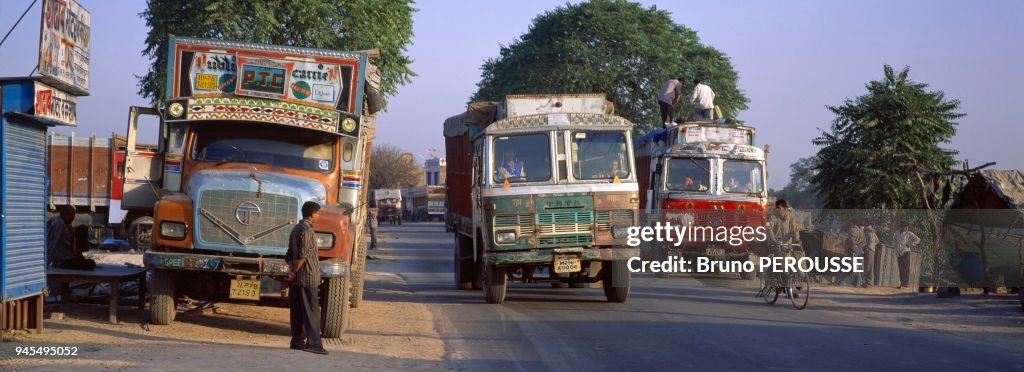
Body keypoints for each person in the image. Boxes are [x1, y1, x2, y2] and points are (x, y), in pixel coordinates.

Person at [286, 202, 328, 355]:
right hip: (307, 277)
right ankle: (314, 344)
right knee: (312, 312)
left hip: (297, 279)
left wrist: (291, 271)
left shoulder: (296, 229)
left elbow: (289, 254)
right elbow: (302, 256)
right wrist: (295, 272)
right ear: (312, 214)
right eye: (317, 213)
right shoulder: (307, 230)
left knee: (296, 311)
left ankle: (297, 341)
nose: (318, 216)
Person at [892, 223, 921, 288]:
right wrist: (895, 249)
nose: (906, 228)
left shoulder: (909, 233)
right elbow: (894, 241)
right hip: (899, 252)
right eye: (905, 227)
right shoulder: (897, 233)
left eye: (907, 227)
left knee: (905, 268)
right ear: (901, 227)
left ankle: (905, 284)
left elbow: (918, 239)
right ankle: (901, 283)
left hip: (906, 252)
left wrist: (910, 244)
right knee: (900, 268)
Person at [841, 220, 867, 287]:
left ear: (853, 223)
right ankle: (857, 283)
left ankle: (841, 281)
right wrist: (859, 246)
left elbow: (851, 240)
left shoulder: (852, 230)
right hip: (859, 250)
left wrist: (853, 248)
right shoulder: (861, 231)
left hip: (852, 249)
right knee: (858, 266)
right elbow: (864, 242)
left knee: (848, 265)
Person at [862, 221, 879, 288]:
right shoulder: (872, 231)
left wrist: (868, 247)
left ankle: (868, 283)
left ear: (866, 223)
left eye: (864, 222)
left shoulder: (868, 231)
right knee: (868, 266)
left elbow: (870, 240)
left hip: (869, 250)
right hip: (871, 250)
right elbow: (877, 241)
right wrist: (873, 246)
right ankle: (868, 282)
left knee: (868, 266)